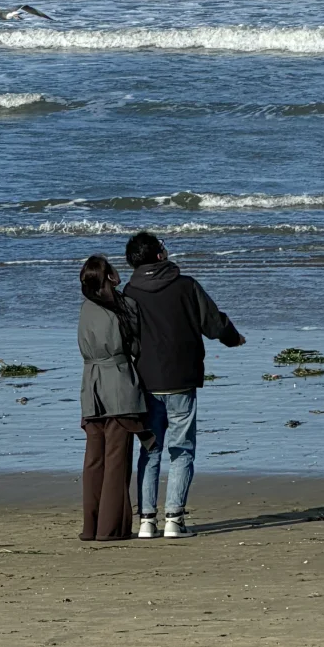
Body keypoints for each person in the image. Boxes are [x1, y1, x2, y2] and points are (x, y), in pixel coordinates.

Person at [122, 231, 245, 539]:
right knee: (182, 448)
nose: (166, 249)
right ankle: (174, 520)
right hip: (180, 378)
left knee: (150, 451)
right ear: (159, 255)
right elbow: (213, 322)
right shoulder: (185, 285)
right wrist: (234, 338)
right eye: (163, 246)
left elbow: (127, 337)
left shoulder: (130, 291)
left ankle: (147, 522)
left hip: (147, 380)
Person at [77, 253, 149, 542]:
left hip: (91, 386)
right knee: (116, 460)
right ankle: (110, 529)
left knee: (94, 460)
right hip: (118, 383)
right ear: (109, 277)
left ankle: (91, 527)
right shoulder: (123, 305)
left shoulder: (85, 308)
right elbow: (136, 346)